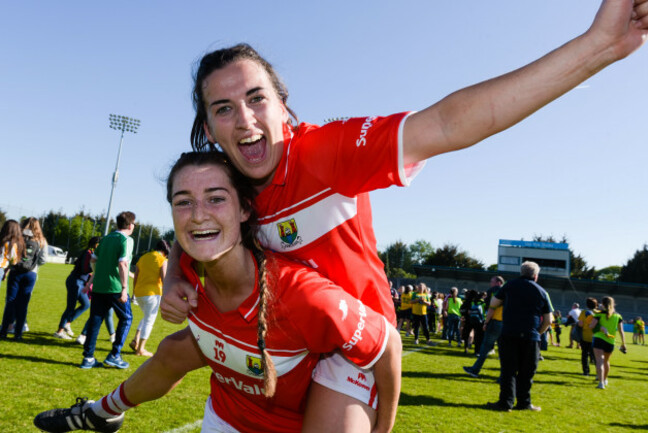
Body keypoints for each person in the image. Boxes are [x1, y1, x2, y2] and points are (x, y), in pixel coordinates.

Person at [167, 4, 648, 426]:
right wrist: (173, 274)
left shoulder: (325, 153)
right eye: (224, 109)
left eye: (257, 99)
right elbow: (190, 229)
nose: (246, 120)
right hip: (285, 343)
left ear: (284, 106)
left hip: (354, 344)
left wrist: (599, 46)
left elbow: (445, 122)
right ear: (208, 128)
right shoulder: (219, 186)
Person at [33, 151, 401, 433]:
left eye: (215, 198)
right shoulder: (188, 277)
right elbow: (168, 363)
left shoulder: (301, 295)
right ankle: (99, 414)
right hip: (224, 420)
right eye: (183, 202)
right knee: (172, 351)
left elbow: (388, 347)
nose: (197, 214)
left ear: (244, 209)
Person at [486, 261, 552, 412]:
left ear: (521, 272)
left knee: (508, 370)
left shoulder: (509, 285)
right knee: (527, 372)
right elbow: (548, 320)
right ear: (536, 276)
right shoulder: (542, 292)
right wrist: (538, 332)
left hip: (509, 332)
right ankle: (524, 403)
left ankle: (505, 403)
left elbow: (494, 302)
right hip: (531, 335)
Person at [79, 211, 135, 369]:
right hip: (115, 287)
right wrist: (124, 289)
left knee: (95, 321)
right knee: (126, 318)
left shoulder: (105, 239)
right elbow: (123, 264)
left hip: (99, 287)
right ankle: (115, 355)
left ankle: (88, 358)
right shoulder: (126, 240)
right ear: (131, 225)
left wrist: (95, 276)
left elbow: (93, 259)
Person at [0, 217, 48, 341]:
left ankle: (4, 331)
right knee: (23, 304)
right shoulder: (41, 240)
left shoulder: (18, 237)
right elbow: (43, 260)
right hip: (31, 273)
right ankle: (18, 334)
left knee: (10, 301)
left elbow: (12, 255)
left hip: (16, 271)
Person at [129, 239, 170, 356]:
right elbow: (164, 279)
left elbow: (136, 276)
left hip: (139, 293)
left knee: (146, 317)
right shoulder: (162, 260)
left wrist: (134, 293)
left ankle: (135, 340)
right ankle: (140, 349)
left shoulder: (144, 257)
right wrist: (167, 295)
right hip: (153, 293)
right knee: (149, 320)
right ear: (165, 251)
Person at [53, 237, 100, 340]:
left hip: (80, 283)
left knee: (86, 304)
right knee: (70, 307)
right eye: (99, 244)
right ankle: (59, 331)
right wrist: (95, 266)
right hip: (75, 281)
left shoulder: (91, 253)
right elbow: (84, 269)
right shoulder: (88, 253)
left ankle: (67, 323)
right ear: (95, 244)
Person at [464, 276, 504, 378]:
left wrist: (486, 322)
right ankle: (504, 375)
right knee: (503, 350)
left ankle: (475, 369)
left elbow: (492, 307)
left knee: (485, 347)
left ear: (499, 282)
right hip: (505, 323)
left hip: (495, 321)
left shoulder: (494, 291)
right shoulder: (509, 291)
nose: (490, 283)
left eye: (492, 281)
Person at [589, 296, 626, 389]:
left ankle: (601, 383)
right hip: (611, 341)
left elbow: (591, 326)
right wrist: (623, 343)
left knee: (599, 361)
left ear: (602, 304)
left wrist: (600, 327)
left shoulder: (599, 314)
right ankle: (605, 380)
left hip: (599, 339)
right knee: (606, 361)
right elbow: (621, 331)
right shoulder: (618, 316)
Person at [577, 297, 598, 376]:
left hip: (585, 337)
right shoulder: (598, 312)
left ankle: (586, 372)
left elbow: (580, 324)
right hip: (596, 337)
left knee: (584, 355)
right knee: (596, 356)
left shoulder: (584, 312)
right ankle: (598, 372)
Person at [460, 289, 484, 355]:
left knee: (466, 334)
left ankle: (466, 348)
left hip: (468, 320)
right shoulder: (479, 301)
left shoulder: (467, 301)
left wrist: (465, 313)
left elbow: (461, 310)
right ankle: (477, 351)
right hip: (478, 321)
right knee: (478, 336)